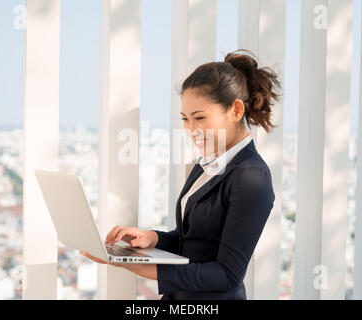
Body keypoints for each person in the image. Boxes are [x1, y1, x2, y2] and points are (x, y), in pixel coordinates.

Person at [80, 49, 281, 300]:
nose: (191, 129)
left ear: (236, 110)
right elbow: (195, 241)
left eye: (200, 117)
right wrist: (152, 238)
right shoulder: (208, 163)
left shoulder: (252, 177)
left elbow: (227, 273)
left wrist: (138, 267)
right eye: (185, 119)